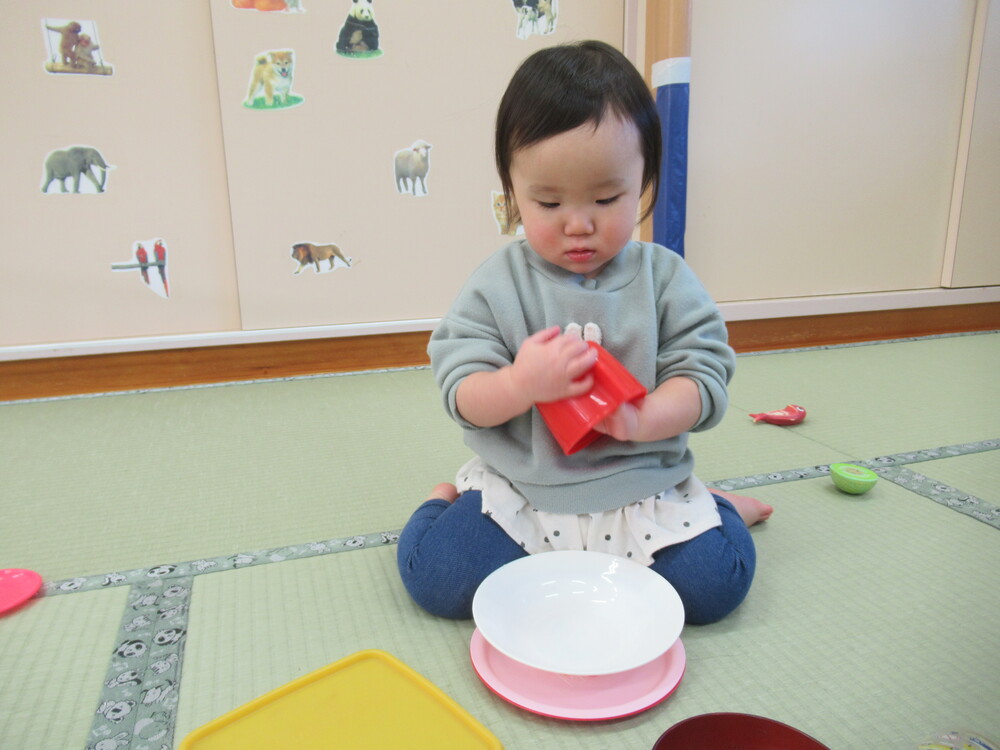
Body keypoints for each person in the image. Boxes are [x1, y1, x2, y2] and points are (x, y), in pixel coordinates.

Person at [397, 40, 772, 625]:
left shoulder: (664, 278)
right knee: (437, 578)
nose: (579, 224)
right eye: (547, 202)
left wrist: (644, 420)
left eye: (606, 197)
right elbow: (461, 390)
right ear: (512, 192)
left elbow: (703, 375)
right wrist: (519, 384)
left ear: (643, 180)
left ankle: (715, 507)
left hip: (641, 490)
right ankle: (437, 502)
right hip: (523, 493)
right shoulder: (498, 284)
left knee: (715, 584)